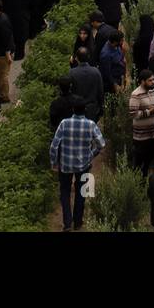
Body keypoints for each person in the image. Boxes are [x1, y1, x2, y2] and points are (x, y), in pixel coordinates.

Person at [49, 99, 105, 231]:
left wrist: (54, 162)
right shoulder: (91, 125)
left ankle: (67, 222)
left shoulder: (64, 123)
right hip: (84, 165)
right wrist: (92, 154)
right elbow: (101, 144)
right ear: (84, 110)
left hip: (65, 165)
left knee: (64, 191)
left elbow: (54, 146)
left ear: (73, 110)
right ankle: (78, 222)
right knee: (82, 192)